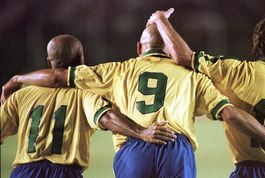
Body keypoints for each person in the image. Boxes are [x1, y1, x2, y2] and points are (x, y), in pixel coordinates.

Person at [1, 26, 265, 178]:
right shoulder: (191, 76)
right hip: (177, 146)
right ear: (170, 51)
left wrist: (17, 79)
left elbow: (57, 77)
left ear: (138, 48)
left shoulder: (118, 69)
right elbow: (229, 113)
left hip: (134, 147)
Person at [148, 8, 265, 178]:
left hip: (248, 172)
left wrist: (161, 20)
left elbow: (183, 56)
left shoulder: (234, 71)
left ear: (256, 46)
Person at [0, 34, 177, 178]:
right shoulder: (86, 94)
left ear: (49, 62)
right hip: (65, 172)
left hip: (24, 172)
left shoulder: (21, 96)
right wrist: (141, 132)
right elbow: (106, 117)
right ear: (81, 59)